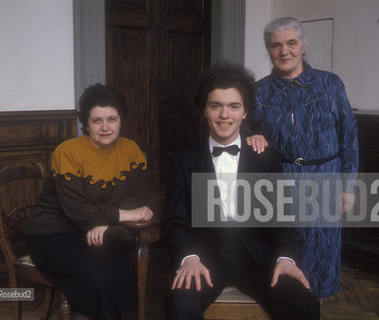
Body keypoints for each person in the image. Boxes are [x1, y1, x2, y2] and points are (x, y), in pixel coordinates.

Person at [162, 62, 320, 320]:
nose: (225, 115)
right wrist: (189, 257)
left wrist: (285, 258)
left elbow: (282, 221)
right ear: (204, 110)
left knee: (304, 304)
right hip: (204, 260)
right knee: (181, 307)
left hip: (257, 260)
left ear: (245, 112)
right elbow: (174, 223)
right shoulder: (182, 161)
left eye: (234, 106)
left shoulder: (265, 159)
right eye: (216, 106)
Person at [246, 17, 359, 299]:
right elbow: (245, 128)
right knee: (284, 248)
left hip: (327, 177)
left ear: (303, 47)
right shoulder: (259, 91)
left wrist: (348, 187)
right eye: (276, 45)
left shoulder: (330, 84)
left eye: (291, 43)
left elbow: (349, 137)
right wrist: (252, 135)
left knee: (321, 252)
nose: (284, 51)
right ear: (269, 50)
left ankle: (315, 307)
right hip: (280, 179)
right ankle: (288, 305)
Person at [25, 83, 154, 319]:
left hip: (92, 231)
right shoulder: (67, 151)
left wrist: (103, 221)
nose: (106, 127)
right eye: (97, 121)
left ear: (121, 120)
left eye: (112, 119)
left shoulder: (130, 150)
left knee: (122, 273)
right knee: (97, 281)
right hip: (51, 234)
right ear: (86, 123)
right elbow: (76, 210)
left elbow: (137, 196)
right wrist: (120, 216)